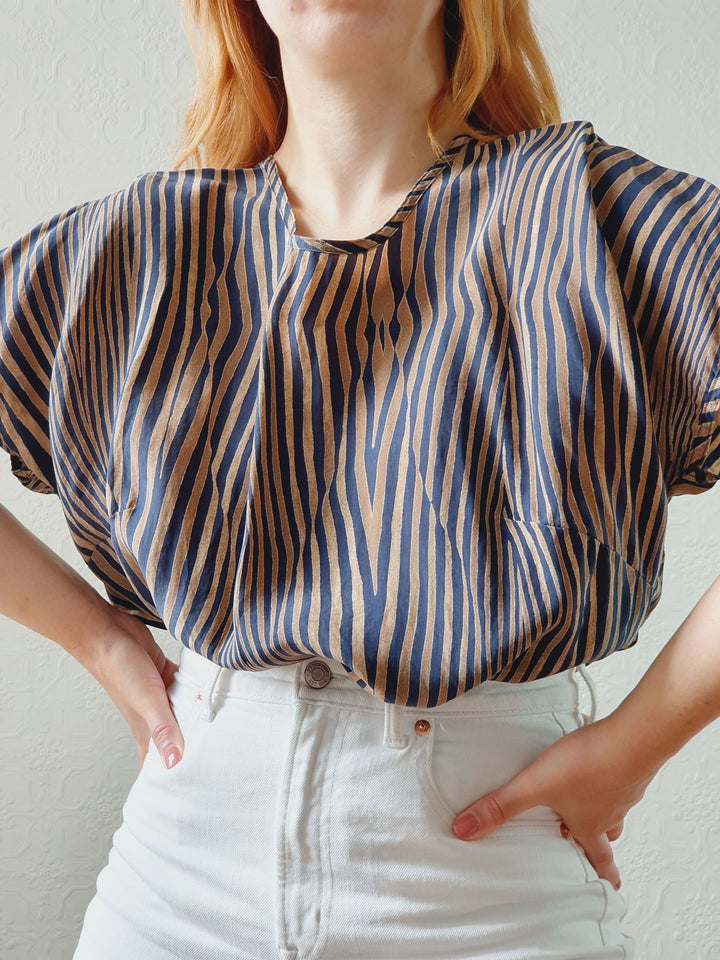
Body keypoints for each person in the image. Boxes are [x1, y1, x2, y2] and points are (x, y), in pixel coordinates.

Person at [1, 0, 719, 956]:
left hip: (487, 877)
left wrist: (633, 750)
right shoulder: (133, 252)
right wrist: (98, 640)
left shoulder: (602, 222)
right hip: (179, 873)